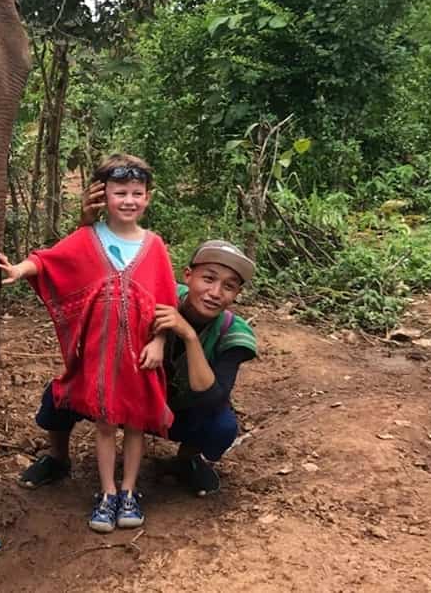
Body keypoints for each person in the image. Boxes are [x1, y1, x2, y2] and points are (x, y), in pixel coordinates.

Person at [19, 183, 257, 497]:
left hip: (177, 410)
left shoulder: (233, 334)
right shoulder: (158, 293)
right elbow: (98, 276)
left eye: (228, 286)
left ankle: (187, 460)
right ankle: (58, 458)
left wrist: (187, 335)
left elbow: (212, 397)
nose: (215, 293)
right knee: (61, 393)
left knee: (221, 424)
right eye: (208, 279)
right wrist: (87, 227)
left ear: (237, 294)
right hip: (124, 392)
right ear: (188, 276)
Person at [0, 154, 179, 533]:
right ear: (103, 195)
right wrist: (18, 269)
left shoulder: (155, 246)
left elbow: (166, 305)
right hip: (100, 358)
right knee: (104, 424)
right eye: (120, 193)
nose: (128, 200)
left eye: (136, 193)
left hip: (140, 357)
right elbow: (49, 262)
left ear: (148, 197)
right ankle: (107, 492)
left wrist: (160, 342)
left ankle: (130, 491)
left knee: (135, 425)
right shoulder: (87, 238)